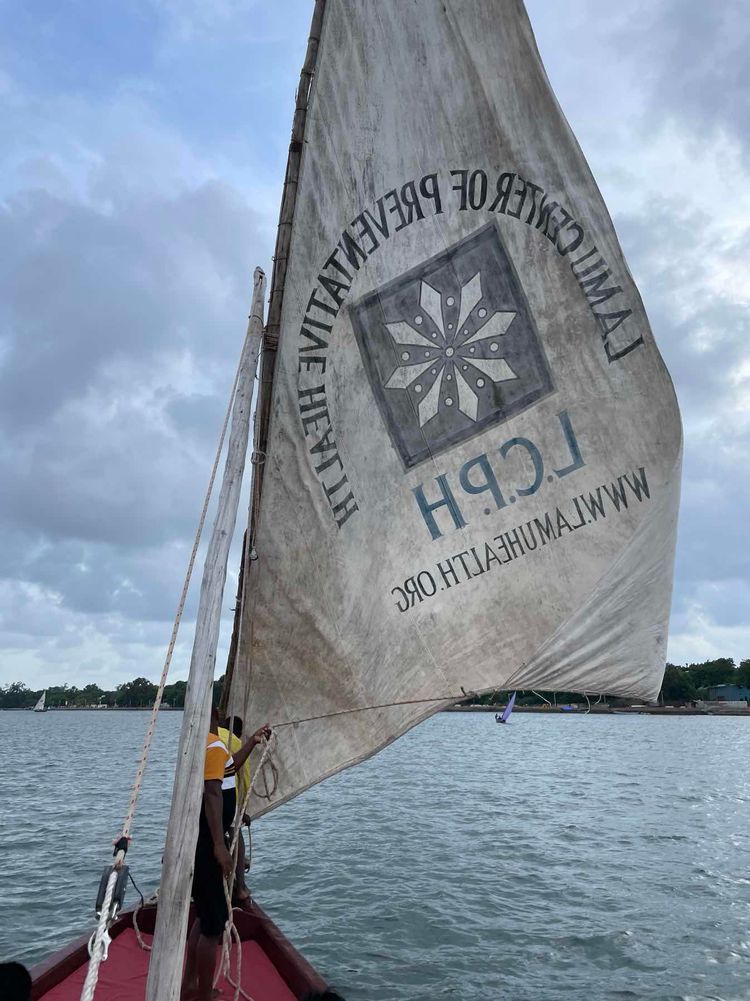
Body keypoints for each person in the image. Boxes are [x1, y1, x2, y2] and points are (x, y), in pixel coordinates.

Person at [181, 704, 271, 1001]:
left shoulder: (207, 746)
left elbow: (230, 764)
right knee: (213, 927)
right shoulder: (212, 745)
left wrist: (252, 742)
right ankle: (204, 994)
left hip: (201, 843)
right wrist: (220, 847)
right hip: (207, 846)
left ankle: (190, 986)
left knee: (203, 918)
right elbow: (212, 793)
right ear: (216, 715)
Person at [217, 715, 252, 909]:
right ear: (238, 732)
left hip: (207, 795)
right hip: (229, 798)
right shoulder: (237, 742)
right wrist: (244, 810)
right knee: (235, 835)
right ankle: (240, 888)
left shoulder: (210, 737)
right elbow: (244, 777)